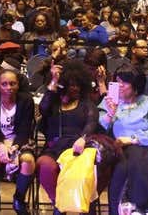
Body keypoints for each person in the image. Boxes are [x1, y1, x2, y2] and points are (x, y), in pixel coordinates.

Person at [99, 64, 148, 215]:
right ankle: (144, 208)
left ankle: (129, 205)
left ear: (135, 84)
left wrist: (132, 139)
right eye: (117, 81)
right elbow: (100, 129)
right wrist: (110, 114)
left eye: (125, 81)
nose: (120, 85)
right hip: (119, 152)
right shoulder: (109, 102)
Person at [36, 60, 100, 211]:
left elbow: (92, 122)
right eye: (71, 84)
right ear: (64, 85)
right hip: (54, 148)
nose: (75, 88)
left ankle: (83, 206)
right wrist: (54, 81)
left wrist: (83, 138)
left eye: (78, 84)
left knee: (84, 171)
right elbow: (43, 108)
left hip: (77, 149)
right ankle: (59, 204)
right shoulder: (54, 102)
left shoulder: (86, 104)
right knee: (45, 165)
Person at [0, 69, 35, 215]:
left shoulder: (26, 101)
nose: (8, 88)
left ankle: (19, 200)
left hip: (19, 141)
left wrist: (15, 147)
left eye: (12, 84)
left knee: (28, 160)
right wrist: (1, 145)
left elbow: (25, 129)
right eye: (4, 84)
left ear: (18, 85)